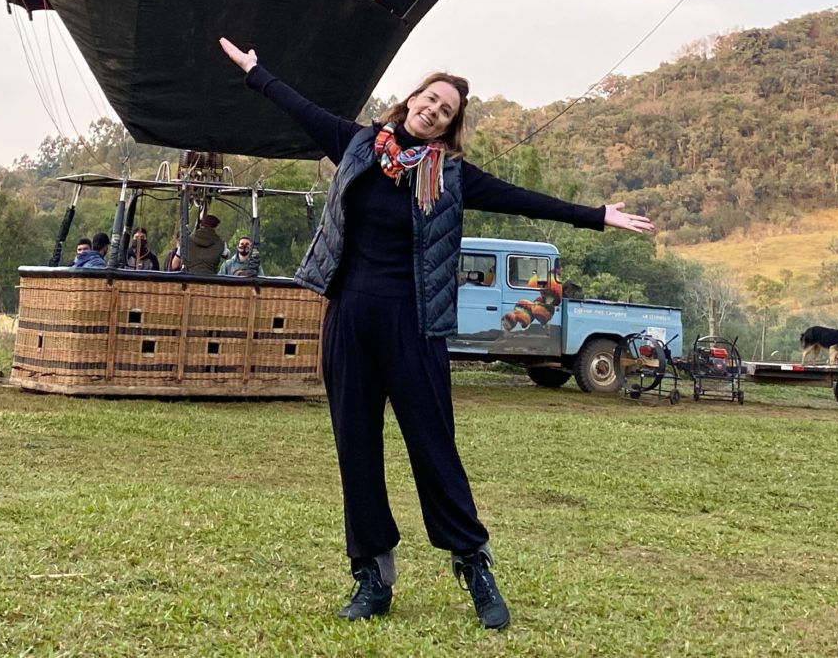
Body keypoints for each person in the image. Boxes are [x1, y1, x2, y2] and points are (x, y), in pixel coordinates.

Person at [218, 35, 653, 630]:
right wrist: (254, 70)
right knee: (357, 447)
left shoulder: (449, 175)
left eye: (446, 110)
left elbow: (522, 201)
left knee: (433, 446)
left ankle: (472, 562)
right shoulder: (358, 145)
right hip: (348, 319)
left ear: (448, 128)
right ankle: (371, 572)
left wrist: (597, 216)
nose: (434, 110)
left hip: (414, 324)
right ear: (410, 100)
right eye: (430, 98)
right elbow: (297, 106)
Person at [186, 209, 226, 275]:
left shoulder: (188, 240)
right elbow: (226, 254)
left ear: (201, 225)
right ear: (215, 227)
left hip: (190, 278)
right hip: (209, 279)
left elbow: (175, 264)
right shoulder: (220, 243)